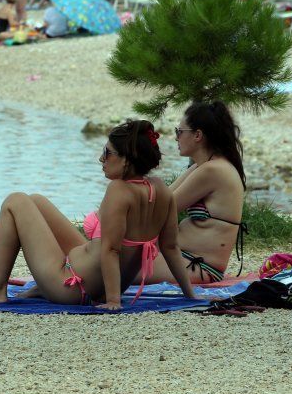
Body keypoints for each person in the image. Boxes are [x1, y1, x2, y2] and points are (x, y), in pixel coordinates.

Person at [0, 120, 197, 309]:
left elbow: (111, 250)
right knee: (36, 201)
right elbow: (170, 248)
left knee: (15, 201)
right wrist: (190, 296)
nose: (102, 159)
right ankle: (39, 288)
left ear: (126, 160)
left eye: (107, 153)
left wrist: (112, 301)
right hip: (93, 280)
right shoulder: (161, 190)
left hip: (71, 286)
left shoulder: (119, 190)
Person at [83, 102, 246, 285]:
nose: (176, 138)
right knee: (95, 260)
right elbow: (164, 198)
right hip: (185, 258)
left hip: (196, 265)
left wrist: (119, 198)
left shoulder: (213, 171)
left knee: (96, 270)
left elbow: (159, 209)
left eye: (179, 132)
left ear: (198, 135)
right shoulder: (203, 167)